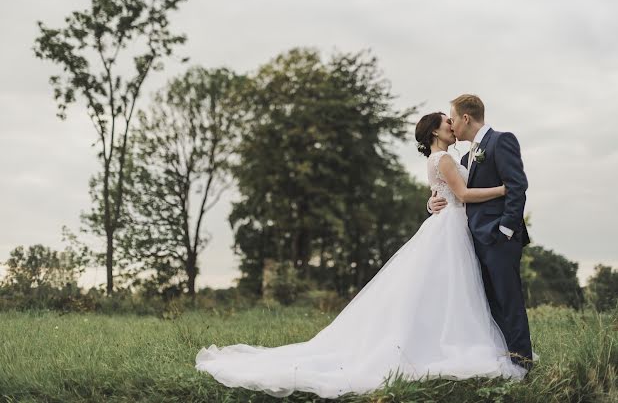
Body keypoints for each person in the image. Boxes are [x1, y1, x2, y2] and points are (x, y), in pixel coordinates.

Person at [195, 109, 528, 399]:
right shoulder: (443, 158)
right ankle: (452, 346)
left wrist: (431, 202)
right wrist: (503, 189)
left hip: (452, 226)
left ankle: (460, 341)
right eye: (446, 122)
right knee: (450, 290)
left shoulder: (447, 158)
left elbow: (439, 193)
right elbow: (463, 193)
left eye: (451, 120)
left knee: (444, 292)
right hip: (452, 229)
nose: (452, 125)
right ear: (434, 133)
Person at [428, 94, 533, 371]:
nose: (451, 125)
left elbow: (517, 186)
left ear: (465, 118)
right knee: (488, 304)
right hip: (472, 239)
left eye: (452, 119)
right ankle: (504, 359)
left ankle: (522, 366)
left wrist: (506, 229)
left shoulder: (501, 141)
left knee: (508, 301)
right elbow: (453, 191)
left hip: (499, 237)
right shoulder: (464, 156)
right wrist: (431, 201)